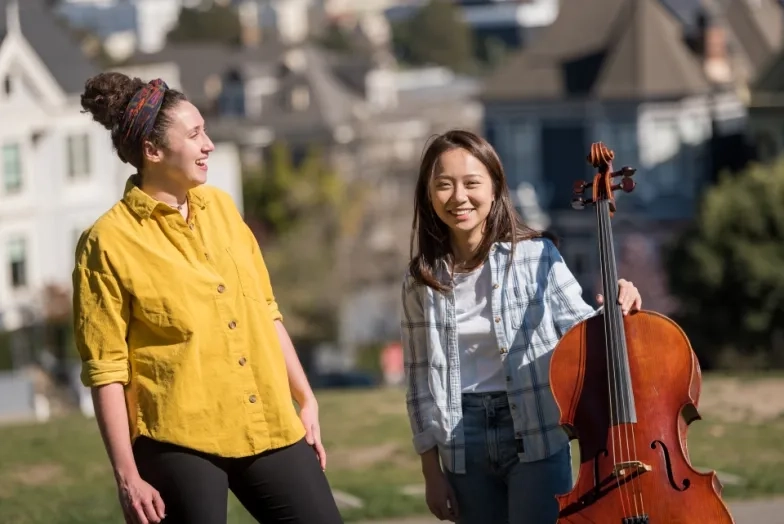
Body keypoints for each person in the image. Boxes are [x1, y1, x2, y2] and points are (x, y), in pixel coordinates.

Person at [73, 72, 344, 524]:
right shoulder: (107, 242)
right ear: (153, 151)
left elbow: (264, 310)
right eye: (195, 134)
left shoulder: (220, 207)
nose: (209, 144)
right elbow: (106, 371)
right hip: (178, 437)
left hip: (266, 420)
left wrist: (305, 396)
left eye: (205, 131)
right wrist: (127, 475)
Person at [400, 130, 643, 524]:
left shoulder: (536, 256)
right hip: (462, 442)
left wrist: (619, 306)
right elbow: (418, 383)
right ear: (429, 195)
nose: (458, 197)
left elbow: (582, 335)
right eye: (444, 185)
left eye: (471, 183)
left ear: (495, 188)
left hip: (536, 429)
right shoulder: (421, 279)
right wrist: (431, 472)